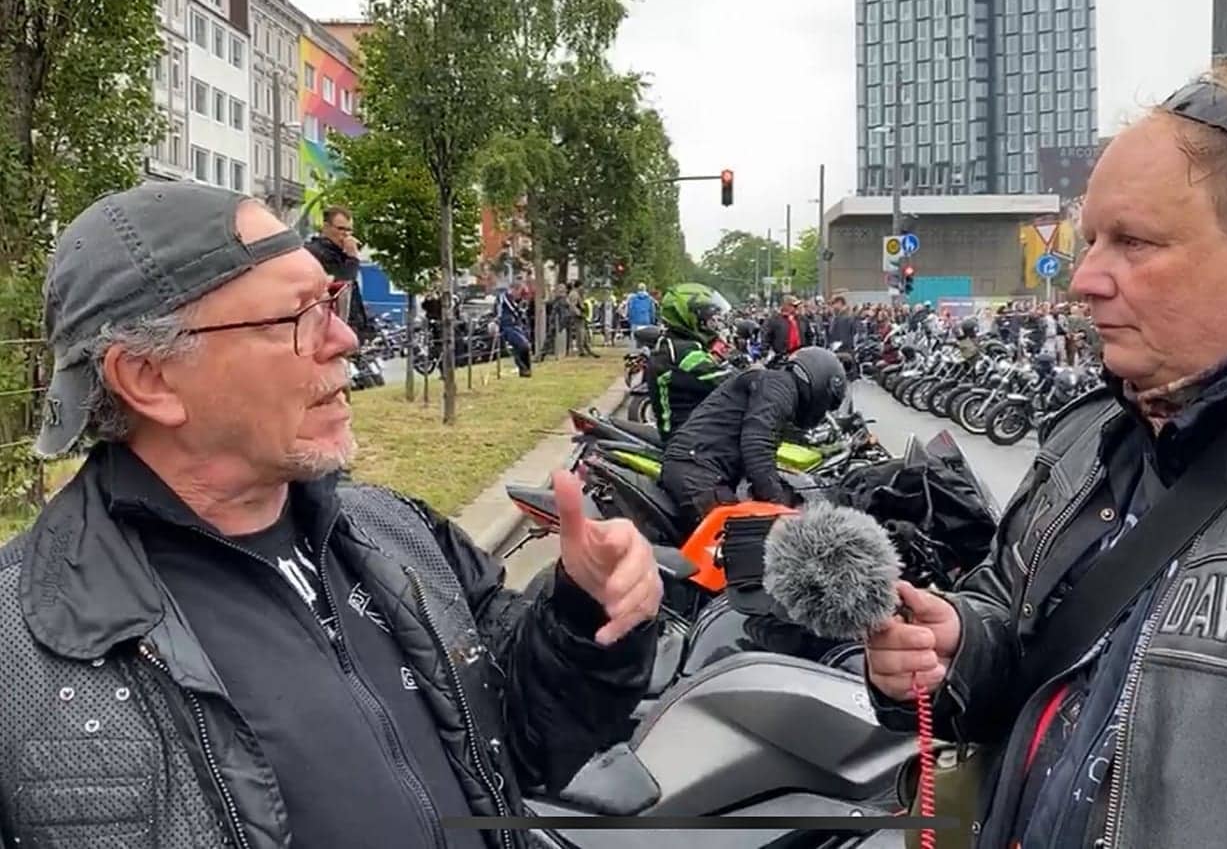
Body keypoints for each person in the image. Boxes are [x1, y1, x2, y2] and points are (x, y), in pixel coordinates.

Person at [0, 183, 662, 848]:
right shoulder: (23, 649)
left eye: (330, 303)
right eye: (295, 317)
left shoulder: (394, 532)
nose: (344, 338)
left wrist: (585, 614)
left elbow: (528, 741)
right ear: (148, 378)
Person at [865, 66, 1227, 848]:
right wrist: (956, 647)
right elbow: (1015, 639)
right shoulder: (1086, 441)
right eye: (1089, 243)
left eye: (1133, 242)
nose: (1083, 280)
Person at [660, 347, 847, 527]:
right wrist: (778, 504)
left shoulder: (774, 386)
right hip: (697, 473)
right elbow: (758, 444)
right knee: (739, 545)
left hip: (696, 467)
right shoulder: (779, 386)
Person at [645, 283, 734, 442]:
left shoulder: (678, 343)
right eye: (707, 317)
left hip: (694, 431)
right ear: (689, 317)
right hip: (685, 441)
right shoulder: (683, 351)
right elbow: (725, 381)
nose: (713, 323)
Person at [305, 204, 371, 343]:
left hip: (348, 330)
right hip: (328, 331)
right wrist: (352, 257)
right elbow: (342, 284)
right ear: (326, 227)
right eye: (341, 229)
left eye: (349, 230)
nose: (346, 234)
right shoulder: (316, 252)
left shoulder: (341, 254)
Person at [495, 278, 533, 377]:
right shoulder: (503, 297)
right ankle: (524, 368)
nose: (519, 295)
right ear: (513, 289)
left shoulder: (517, 300)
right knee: (522, 345)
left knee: (524, 347)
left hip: (517, 325)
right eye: (519, 292)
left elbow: (520, 312)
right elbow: (509, 309)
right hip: (507, 326)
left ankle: (525, 370)